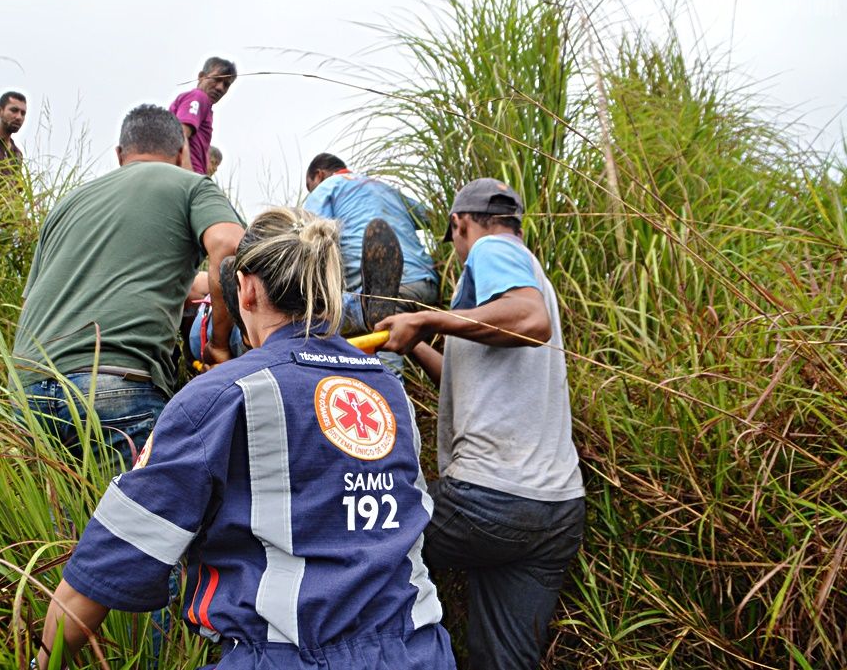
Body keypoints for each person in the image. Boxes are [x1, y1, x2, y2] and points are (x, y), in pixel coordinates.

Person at [35, 207, 456, 670]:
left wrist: (41, 662)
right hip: (422, 651)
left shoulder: (219, 397)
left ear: (247, 288)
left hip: (285, 659)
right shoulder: (389, 392)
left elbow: (111, 556)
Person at [376, 179, 585, 670]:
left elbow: (531, 322)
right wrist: (415, 341)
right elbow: (465, 375)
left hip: (491, 502)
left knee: (362, 533)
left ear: (459, 225)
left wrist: (431, 321)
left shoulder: (492, 249)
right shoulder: (522, 283)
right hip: (555, 512)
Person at [12, 104, 245, 470]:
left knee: (49, 526)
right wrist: (218, 346)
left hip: (26, 392)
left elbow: (31, 304)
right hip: (115, 388)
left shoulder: (68, 203)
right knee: (140, 525)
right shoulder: (191, 185)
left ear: (120, 155)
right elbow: (231, 250)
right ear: (182, 153)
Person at [303, 153, 439, 331]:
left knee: (316, 322)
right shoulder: (384, 187)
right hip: (426, 283)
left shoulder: (326, 188)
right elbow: (433, 219)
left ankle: (367, 305)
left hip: (383, 295)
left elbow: (313, 242)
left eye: (310, 187)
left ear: (319, 175)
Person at [169, 58, 237, 175]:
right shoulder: (198, 97)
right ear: (201, 76)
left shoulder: (204, 106)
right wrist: (188, 177)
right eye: (217, 79)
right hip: (187, 176)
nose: (220, 88)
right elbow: (180, 133)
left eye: (226, 85)